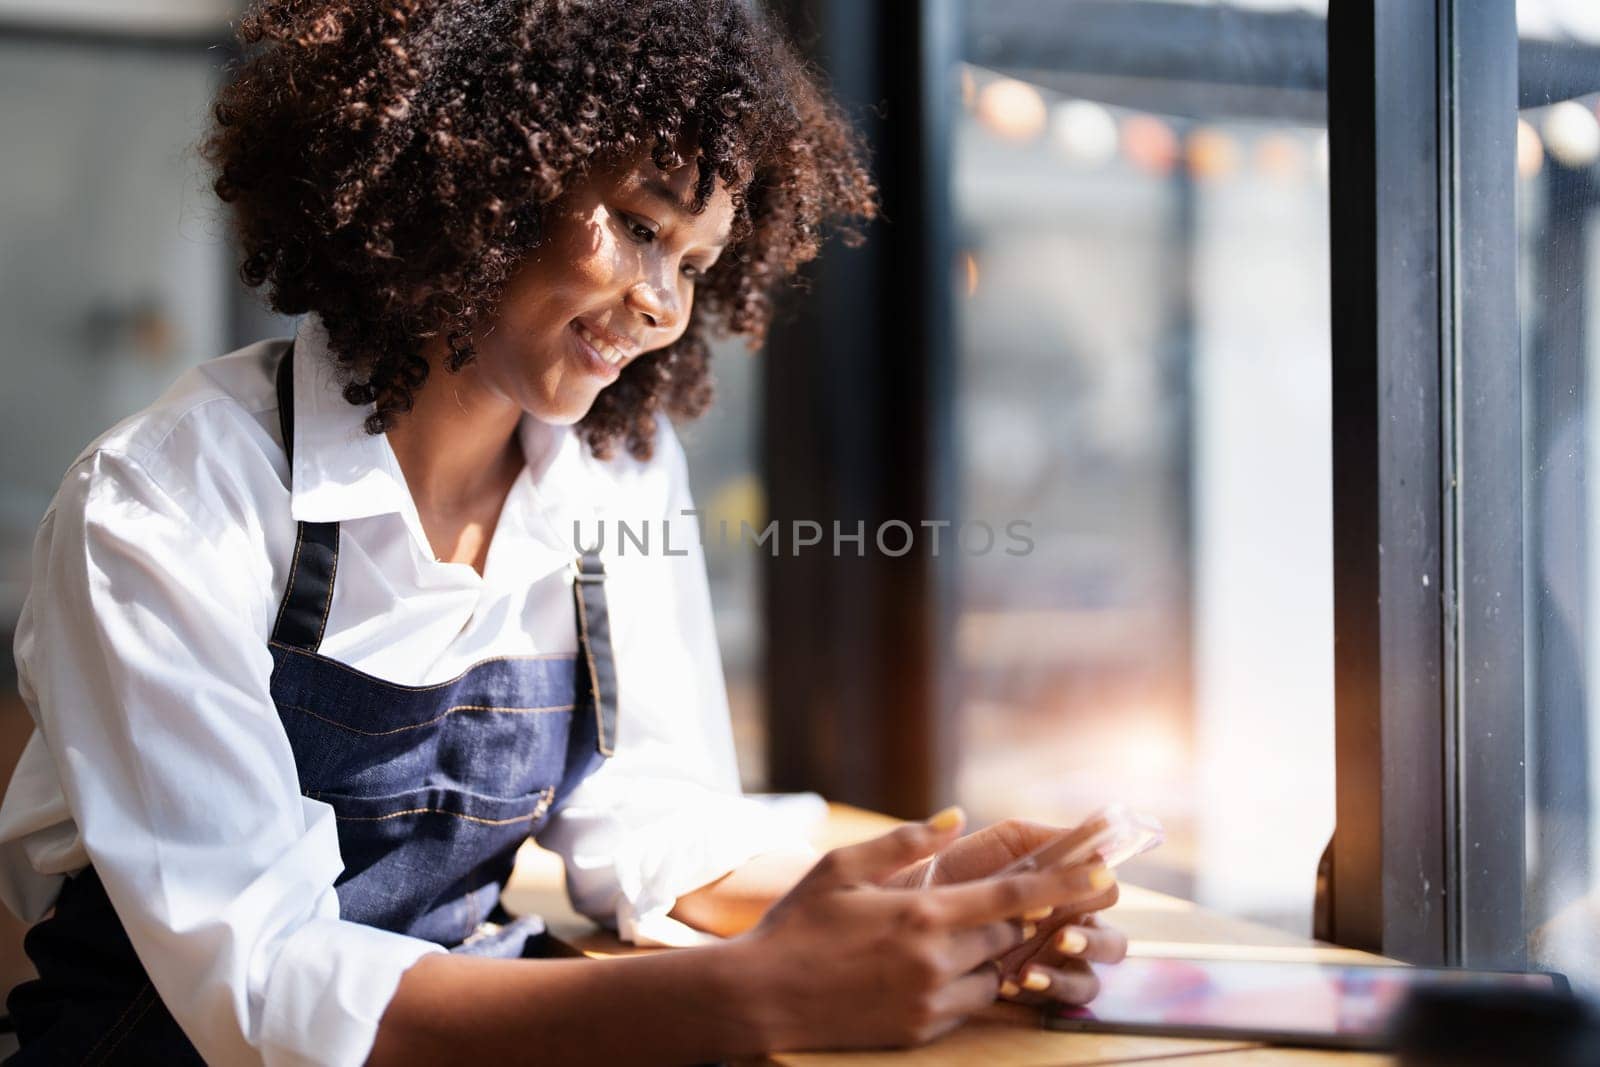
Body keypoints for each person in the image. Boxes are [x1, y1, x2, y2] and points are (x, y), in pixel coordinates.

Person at [0, 2, 1127, 1063]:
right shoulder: (166, 506)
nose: (664, 306)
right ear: (476, 172)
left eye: (693, 262)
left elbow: (646, 831)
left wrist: (934, 903)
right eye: (639, 227)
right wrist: (759, 988)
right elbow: (264, 990)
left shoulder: (617, 470)